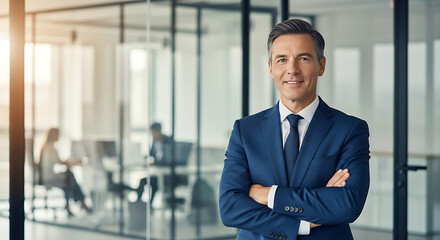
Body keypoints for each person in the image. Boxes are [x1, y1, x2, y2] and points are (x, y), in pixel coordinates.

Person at [219, 19, 370, 240]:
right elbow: (230, 208)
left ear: (321, 65)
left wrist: (268, 194)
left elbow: (348, 204)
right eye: (282, 60)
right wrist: (304, 223)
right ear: (270, 68)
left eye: (304, 58)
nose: (292, 69)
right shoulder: (245, 130)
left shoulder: (350, 129)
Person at [39, 128, 91, 216]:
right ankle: (81, 202)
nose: (59, 137)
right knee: (69, 177)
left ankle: (73, 204)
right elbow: (60, 162)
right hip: (49, 177)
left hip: (45, 176)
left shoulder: (45, 147)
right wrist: (75, 161)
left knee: (69, 179)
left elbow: (57, 162)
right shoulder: (51, 148)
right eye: (58, 135)